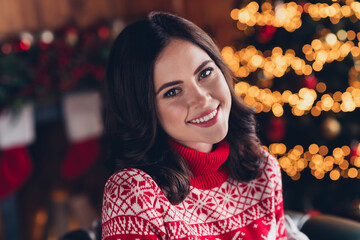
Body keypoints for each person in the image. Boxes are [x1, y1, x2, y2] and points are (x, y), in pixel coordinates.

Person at [102, 11, 287, 239]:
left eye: (205, 73)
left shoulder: (262, 170)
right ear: (143, 109)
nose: (202, 99)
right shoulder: (134, 192)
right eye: (172, 91)